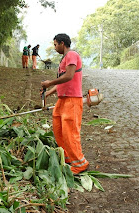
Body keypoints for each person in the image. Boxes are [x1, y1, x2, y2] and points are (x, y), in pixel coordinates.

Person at [41, 33, 89, 174]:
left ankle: (80, 163)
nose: (55, 47)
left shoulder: (72, 55)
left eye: (55, 44)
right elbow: (62, 81)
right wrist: (48, 91)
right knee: (59, 129)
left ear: (62, 43)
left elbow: (69, 76)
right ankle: (68, 157)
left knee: (70, 132)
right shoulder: (64, 59)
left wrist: (49, 82)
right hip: (62, 100)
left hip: (72, 100)